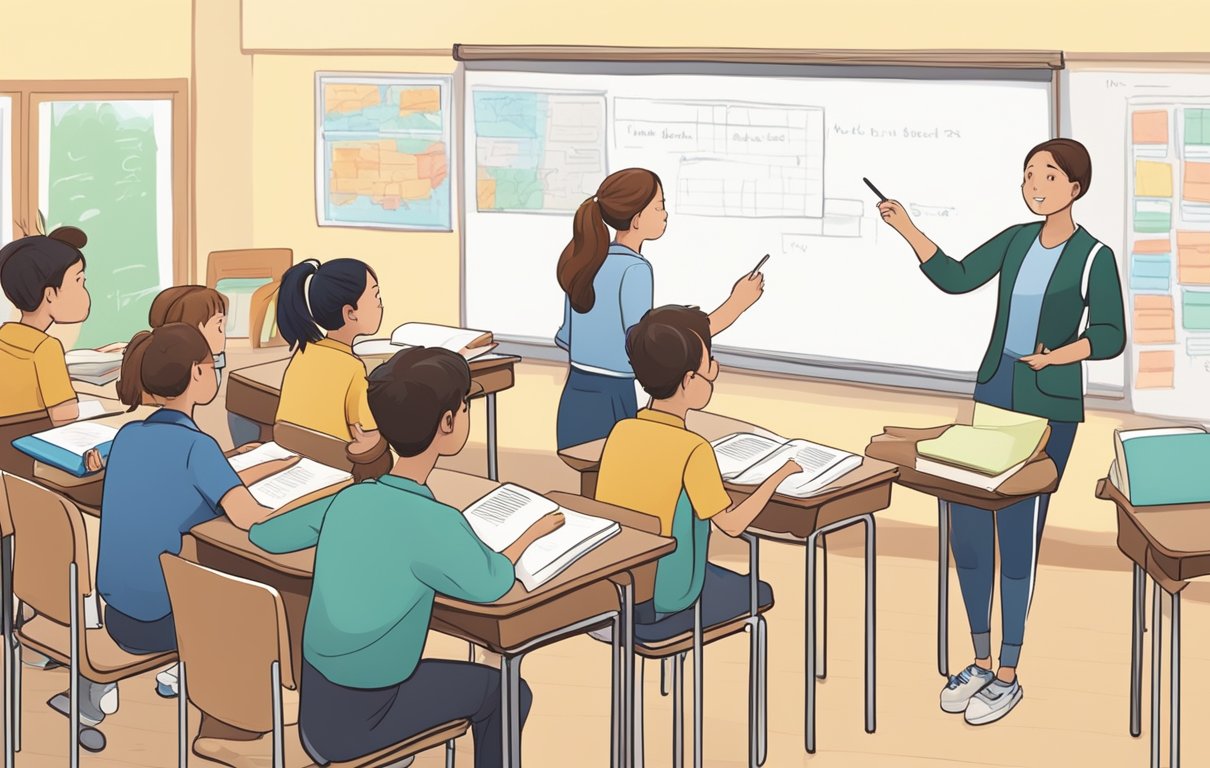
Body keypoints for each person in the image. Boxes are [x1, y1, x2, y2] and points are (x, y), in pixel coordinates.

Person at [878, 138, 1126, 724]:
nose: (1034, 185)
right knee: (968, 524)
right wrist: (907, 228)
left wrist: (1061, 355)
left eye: (1048, 175)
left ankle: (1009, 670)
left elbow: (1111, 334)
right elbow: (959, 277)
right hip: (993, 395)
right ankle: (980, 658)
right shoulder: (1017, 240)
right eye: (1028, 175)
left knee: (1018, 536)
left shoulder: (1094, 256)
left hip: (1048, 410)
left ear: (1076, 188)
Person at [250, 347, 561, 767]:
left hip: (316, 712)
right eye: (465, 406)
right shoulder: (435, 522)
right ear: (447, 423)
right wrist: (528, 535)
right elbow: (493, 583)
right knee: (509, 692)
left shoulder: (349, 499)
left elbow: (266, 534)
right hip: (367, 720)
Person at [93, 323, 297, 720]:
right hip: (166, 621)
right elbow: (249, 517)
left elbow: (185, 480)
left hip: (116, 613)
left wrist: (261, 467)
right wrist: (304, 499)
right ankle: (229, 714)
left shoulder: (128, 436)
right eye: (213, 362)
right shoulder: (198, 448)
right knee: (260, 607)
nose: (216, 370)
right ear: (196, 372)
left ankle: (178, 673)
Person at [596, 305, 800, 640]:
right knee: (758, 591)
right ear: (689, 380)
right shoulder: (693, 449)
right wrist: (780, 475)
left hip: (615, 593)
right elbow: (732, 526)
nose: (715, 371)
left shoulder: (621, 432)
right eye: (710, 367)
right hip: (669, 598)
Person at [554, 168, 766, 450]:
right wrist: (736, 304)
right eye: (660, 206)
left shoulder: (586, 259)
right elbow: (651, 345)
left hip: (574, 397)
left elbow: (567, 338)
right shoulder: (635, 269)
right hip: (613, 398)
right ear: (638, 218)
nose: (665, 214)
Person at [0, 226, 119, 476]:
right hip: (38, 466)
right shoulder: (45, 348)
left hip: (8, 470)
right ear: (50, 294)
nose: (84, 290)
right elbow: (65, 416)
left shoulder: (5, 338)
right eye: (78, 281)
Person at [274, 258, 391, 475]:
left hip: (294, 463)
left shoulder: (304, 352)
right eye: (376, 296)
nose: (380, 304)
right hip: (334, 471)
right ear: (350, 312)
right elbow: (367, 434)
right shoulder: (353, 368)